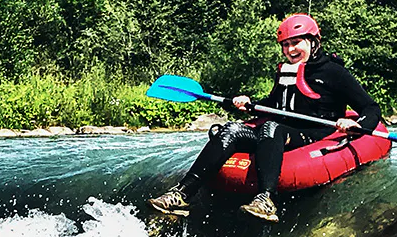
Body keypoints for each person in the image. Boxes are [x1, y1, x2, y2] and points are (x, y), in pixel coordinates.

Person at [148, 13, 382, 222]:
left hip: (314, 133)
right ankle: (182, 194)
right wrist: (250, 105)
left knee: (272, 128)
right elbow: (274, 106)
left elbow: (371, 108)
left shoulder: (334, 72)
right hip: (281, 129)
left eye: (296, 43)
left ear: (313, 41)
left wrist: (358, 125)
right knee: (231, 130)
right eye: (286, 45)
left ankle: (265, 200)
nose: (290, 50)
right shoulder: (285, 71)